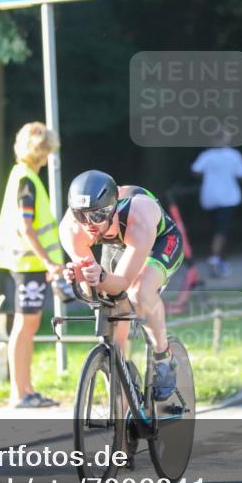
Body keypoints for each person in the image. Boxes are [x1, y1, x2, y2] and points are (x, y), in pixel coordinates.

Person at [59, 170, 184, 401]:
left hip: (159, 240)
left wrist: (101, 277)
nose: (89, 225)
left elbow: (122, 284)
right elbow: (97, 294)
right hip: (117, 245)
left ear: (113, 209)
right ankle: (121, 400)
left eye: (97, 216)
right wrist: (83, 277)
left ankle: (163, 357)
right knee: (110, 322)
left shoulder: (138, 216)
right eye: (81, 215)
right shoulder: (71, 229)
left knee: (139, 292)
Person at [0, 122, 64, 408]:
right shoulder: (27, 180)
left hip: (28, 263)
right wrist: (47, 260)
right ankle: (20, 393)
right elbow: (26, 227)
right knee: (25, 326)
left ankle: (25, 390)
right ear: (43, 151)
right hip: (29, 264)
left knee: (26, 326)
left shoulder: (22, 176)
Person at [191, 132, 242, 277]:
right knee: (222, 230)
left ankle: (220, 262)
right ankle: (215, 257)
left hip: (209, 197)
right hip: (228, 197)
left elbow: (195, 171)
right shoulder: (234, 155)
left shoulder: (207, 156)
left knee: (214, 229)